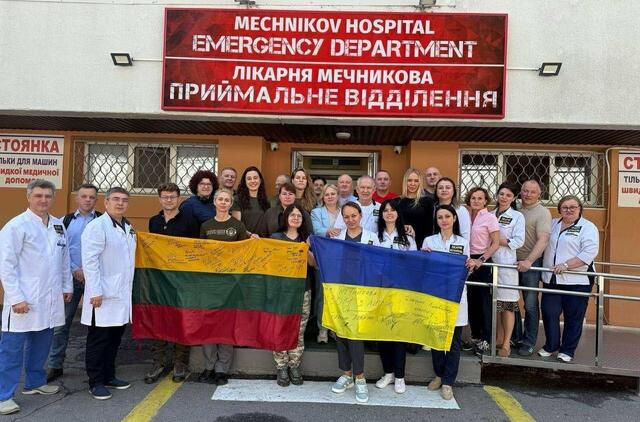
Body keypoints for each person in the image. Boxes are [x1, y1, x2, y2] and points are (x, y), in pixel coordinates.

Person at [0, 180, 72, 416]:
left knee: (42, 342)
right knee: (12, 349)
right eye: (39, 195)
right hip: (24, 299)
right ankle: (3, 396)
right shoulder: (16, 226)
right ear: (28, 197)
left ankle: (35, 382)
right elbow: (6, 265)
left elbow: (64, 259)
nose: (43, 200)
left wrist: (66, 286)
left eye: (48, 196)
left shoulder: (58, 225)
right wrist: (15, 298)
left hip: (50, 298)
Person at [81, 187, 136, 400]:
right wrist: (95, 291)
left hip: (121, 295)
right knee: (99, 339)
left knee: (114, 338)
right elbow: (90, 261)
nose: (120, 203)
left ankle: (109, 376)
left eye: (124, 200)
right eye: (115, 199)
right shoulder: (97, 227)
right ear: (106, 202)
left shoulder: (128, 227)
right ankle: (95, 382)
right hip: (102, 295)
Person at [144, 183, 200, 384]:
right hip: (159, 278)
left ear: (179, 199)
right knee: (159, 319)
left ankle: (180, 363)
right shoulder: (154, 222)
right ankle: (158, 362)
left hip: (182, 279)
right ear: (159, 199)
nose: (169, 200)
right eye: (165, 197)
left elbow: (196, 248)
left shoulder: (190, 221)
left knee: (181, 319)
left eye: (172, 197)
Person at [47, 183, 101, 382]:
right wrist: (75, 269)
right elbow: (60, 249)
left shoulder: (103, 221)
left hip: (95, 279)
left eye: (91, 197)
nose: (88, 200)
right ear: (77, 198)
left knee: (98, 325)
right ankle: (55, 364)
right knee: (62, 324)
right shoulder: (64, 221)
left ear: (96, 200)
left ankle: (96, 366)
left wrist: (89, 272)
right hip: (71, 278)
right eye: (84, 196)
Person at [539, 196, 598, 363]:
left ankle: (567, 350)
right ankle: (551, 345)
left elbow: (588, 253)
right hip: (552, 279)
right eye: (565, 207)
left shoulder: (588, 227)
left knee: (573, 317)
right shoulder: (553, 224)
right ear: (559, 209)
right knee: (549, 312)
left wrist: (566, 265)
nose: (569, 210)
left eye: (573, 207)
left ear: (580, 208)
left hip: (577, 280)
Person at [198, 188, 249, 385]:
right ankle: (209, 366)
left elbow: (244, 253)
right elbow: (200, 254)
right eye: (220, 199)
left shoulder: (238, 226)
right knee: (209, 325)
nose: (223, 202)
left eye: (227, 200)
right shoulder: (206, 226)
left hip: (230, 284)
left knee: (226, 326)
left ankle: (222, 369)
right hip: (210, 283)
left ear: (231, 204)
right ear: (214, 202)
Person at [331, 202, 380, 404]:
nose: (350, 220)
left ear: (360, 216)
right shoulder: (337, 238)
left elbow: (378, 264)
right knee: (340, 333)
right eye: (346, 217)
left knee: (355, 335)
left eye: (354, 215)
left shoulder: (372, 237)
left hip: (362, 293)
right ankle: (347, 374)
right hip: (341, 291)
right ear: (342, 219)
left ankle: (360, 378)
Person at [422, 204, 470, 401]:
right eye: (440, 217)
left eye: (447, 216)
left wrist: (470, 265)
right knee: (436, 339)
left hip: (455, 296)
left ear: (454, 219)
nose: (444, 220)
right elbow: (423, 268)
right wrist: (424, 257)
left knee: (453, 341)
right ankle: (439, 375)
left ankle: (448, 382)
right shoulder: (429, 241)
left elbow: (465, 269)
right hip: (435, 295)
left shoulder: (463, 242)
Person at [374, 199, 416, 395]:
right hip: (381, 291)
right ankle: (388, 373)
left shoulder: (408, 238)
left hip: (400, 292)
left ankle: (400, 376)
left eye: (392, 210)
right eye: (385, 210)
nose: (389, 213)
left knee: (398, 334)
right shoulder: (375, 237)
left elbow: (414, 264)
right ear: (381, 214)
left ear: (398, 214)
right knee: (383, 334)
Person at [270, 204, 315, 387]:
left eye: (299, 216)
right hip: (281, 291)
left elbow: (314, 264)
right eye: (292, 215)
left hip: (302, 290)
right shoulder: (275, 238)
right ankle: (281, 366)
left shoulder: (307, 238)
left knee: (298, 329)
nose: (296, 218)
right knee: (280, 327)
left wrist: (307, 249)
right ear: (286, 217)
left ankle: (294, 365)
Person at [513, 180, 552, 356]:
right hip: (511, 262)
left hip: (531, 263)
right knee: (510, 302)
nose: (528, 194)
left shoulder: (542, 212)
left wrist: (529, 261)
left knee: (530, 304)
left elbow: (543, 240)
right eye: (525, 191)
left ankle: (528, 341)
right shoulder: (515, 209)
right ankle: (515, 337)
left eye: (532, 192)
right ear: (520, 192)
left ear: (539, 194)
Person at [465, 187, 500, 355]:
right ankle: (475, 336)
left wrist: (481, 260)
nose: (476, 201)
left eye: (480, 198)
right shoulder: (465, 215)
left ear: (486, 201)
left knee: (483, 302)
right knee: (470, 300)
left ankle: (486, 339)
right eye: (473, 198)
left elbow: (495, 243)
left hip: (481, 261)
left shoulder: (490, 218)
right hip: (466, 260)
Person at [491, 183, 525, 357]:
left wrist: (496, 240)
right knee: (494, 304)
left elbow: (518, 241)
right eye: (501, 194)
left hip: (506, 264)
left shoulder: (517, 216)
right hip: (490, 262)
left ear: (514, 198)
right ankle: (497, 339)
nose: (504, 197)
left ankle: (506, 344)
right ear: (497, 195)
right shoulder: (489, 214)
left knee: (508, 305)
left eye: (508, 195)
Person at [310, 184, 341, 343]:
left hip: (341, 259)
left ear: (338, 196)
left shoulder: (344, 211)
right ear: (323, 197)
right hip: (322, 258)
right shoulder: (316, 212)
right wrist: (328, 231)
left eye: (333, 194)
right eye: (327, 194)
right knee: (322, 295)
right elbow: (317, 231)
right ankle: (322, 329)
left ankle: (334, 328)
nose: (330, 197)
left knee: (337, 295)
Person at [393, 168, 435, 249]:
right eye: (409, 180)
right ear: (405, 182)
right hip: (399, 245)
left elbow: (429, 227)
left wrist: (426, 245)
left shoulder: (427, 201)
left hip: (421, 246)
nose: (412, 184)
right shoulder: (396, 201)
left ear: (420, 183)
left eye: (416, 181)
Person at [230, 166, 270, 237]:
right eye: (249, 179)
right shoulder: (237, 199)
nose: (252, 181)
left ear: (260, 180)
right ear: (245, 182)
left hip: (261, 240)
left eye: (255, 178)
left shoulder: (266, 201)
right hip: (244, 240)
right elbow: (236, 225)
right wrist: (250, 235)